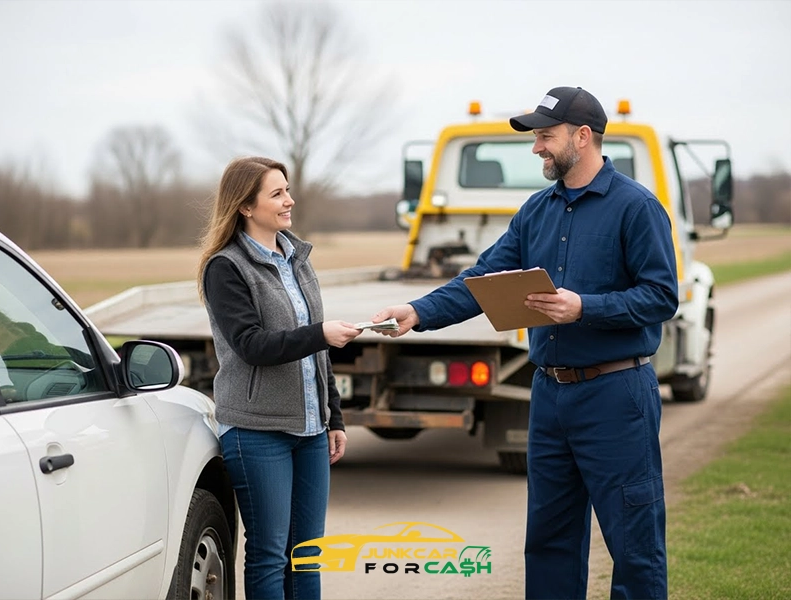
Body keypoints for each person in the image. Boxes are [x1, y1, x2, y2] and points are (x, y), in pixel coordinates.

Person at [373, 86, 677, 599]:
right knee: (549, 541)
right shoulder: (536, 211)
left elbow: (660, 297)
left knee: (634, 543)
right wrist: (417, 312)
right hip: (550, 398)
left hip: (616, 395)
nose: (537, 147)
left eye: (545, 136)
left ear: (583, 137)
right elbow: (482, 279)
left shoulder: (636, 208)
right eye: (536, 137)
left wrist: (586, 307)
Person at [196, 156, 362, 600]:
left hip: (310, 430)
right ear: (246, 207)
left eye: (287, 190)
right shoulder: (225, 268)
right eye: (277, 193)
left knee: (305, 552)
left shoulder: (297, 258)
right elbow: (251, 344)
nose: (289, 200)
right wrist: (319, 334)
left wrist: (335, 418)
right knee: (270, 554)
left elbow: (316, 349)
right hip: (256, 430)